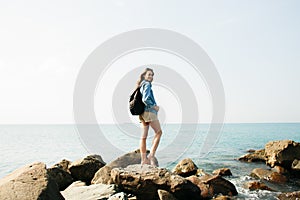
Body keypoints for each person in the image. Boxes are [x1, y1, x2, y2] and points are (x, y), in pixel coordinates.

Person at [134, 67, 162, 166]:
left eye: (152, 75)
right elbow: (146, 99)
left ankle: (143, 160)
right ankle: (150, 156)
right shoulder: (147, 84)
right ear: (144, 76)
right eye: (149, 74)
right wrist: (154, 106)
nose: (151, 76)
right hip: (149, 112)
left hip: (142, 113)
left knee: (143, 137)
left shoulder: (141, 85)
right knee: (159, 132)